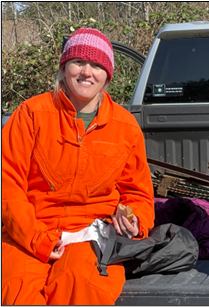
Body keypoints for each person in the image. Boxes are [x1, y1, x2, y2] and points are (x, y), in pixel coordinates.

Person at [2, 28, 154, 305]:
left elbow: (139, 193)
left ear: (107, 75)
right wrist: (37, 239)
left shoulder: (125, 127)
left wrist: (135, 221)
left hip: (92, 234)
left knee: (81, 287)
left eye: (96, 65)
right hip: (29, 232)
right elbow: (7, 184)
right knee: (16, 290)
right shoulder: (30, 114)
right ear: (64, 67)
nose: (87, 72)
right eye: (79, 62)